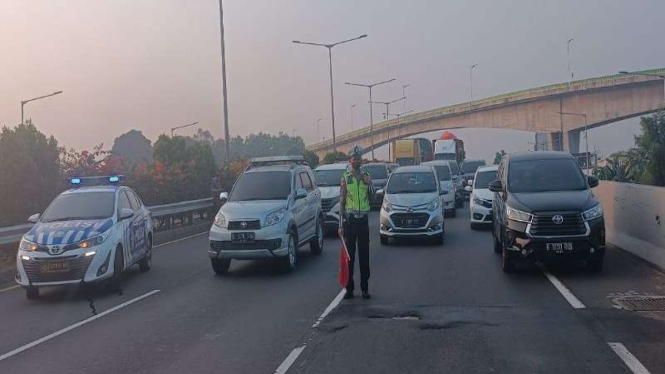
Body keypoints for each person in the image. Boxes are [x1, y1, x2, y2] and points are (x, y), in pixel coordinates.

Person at [338, 145, 372, 300]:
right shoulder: (346, 178)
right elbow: (342, 202)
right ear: (350, 160)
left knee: (364, 255)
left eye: (359, 158)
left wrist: (369, 182)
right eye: (354, 158)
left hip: (363, 220)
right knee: (350, 256)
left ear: (361, 160)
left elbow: (373, 194)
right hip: (350, 221)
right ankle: (349, 289)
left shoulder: (366, 176)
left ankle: (365, 288)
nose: (356, 160)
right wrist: (340, 225)